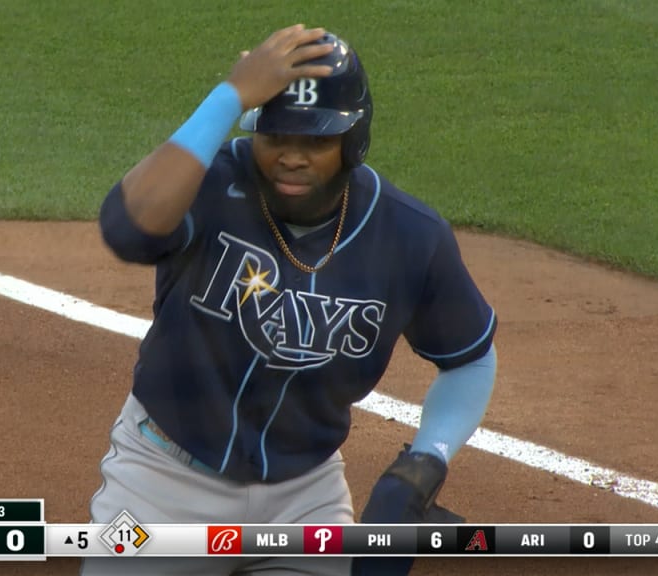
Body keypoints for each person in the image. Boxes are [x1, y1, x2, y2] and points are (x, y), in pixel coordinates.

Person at [84, 24, 498, 576]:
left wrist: (426, 461)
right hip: (161, 483)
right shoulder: (210, 184)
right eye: (276, 136)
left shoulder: (408, 236)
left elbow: (468, 359)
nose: (292, 158)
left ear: (354, 141)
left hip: (305, 496)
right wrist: (229, 95)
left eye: (317, 141)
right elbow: (127, 228)